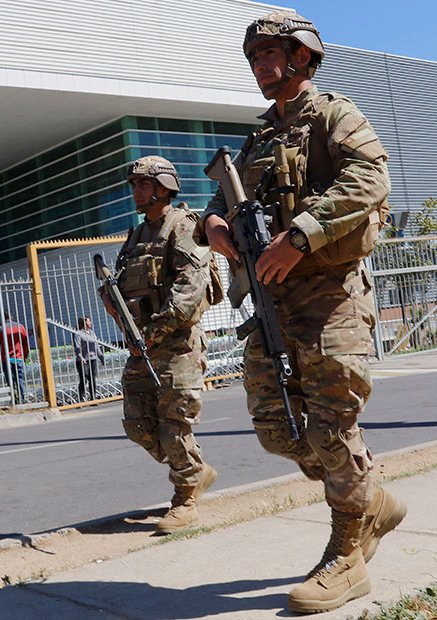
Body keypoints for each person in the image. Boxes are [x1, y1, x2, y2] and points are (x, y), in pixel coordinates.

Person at [196, 11, 406, 613]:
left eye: (271, 53)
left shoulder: (336, 115)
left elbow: (371, 178)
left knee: (332, 427)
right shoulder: (258, 139)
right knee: (279, 429)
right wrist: (215, 224)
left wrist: (303, 233)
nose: (261, 64)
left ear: (303, 57)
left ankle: (349, 557)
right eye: (254, 56)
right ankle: (374, 501)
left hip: (330, 294)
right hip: (272, 301)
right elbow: (221, 201)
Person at [100, 155, 220, 535]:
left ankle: (185, 498)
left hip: (177, 344)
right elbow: (121, 289)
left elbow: (189, 290)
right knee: (138, 424)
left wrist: (152, 332)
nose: (136, 191)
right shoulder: (136, 236)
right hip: (143, 345)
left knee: (174, 424)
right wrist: (114, 303)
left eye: (143, 185)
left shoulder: (182, 226)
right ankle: (195, 471)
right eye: (134, 185)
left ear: (164, 188)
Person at [0, 310, 30, 404]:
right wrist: (25, 356)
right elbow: (25, 343)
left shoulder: (1, 328)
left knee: (10, 381)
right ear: (11, 317)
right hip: (19, 357)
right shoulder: (20, 327)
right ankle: (22, 399)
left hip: (7, 358)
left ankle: (13, 399)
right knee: (19, 379)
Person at [73, 316, 104, 402]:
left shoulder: (92, 333)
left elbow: (96, 346)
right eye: (88, 321)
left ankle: (93, 397)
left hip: (93, 359)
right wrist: (80, 357)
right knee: (84, 378)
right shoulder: (78, 333)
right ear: (84, 323)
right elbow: (77, 346)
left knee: (92, 378)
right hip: (83, 360)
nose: (90, 323)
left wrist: (101, 357)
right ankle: (81, 397)